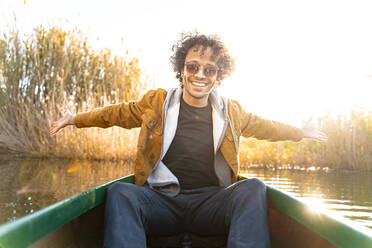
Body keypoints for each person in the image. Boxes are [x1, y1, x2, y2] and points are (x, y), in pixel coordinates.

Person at [50, 32, 327, 248]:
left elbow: (265, 127)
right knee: (121, 193)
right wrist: (75, 119)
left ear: (218, 76)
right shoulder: (156, 102)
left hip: (210, 205)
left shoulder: (232, 111)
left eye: (210, 70)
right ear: (182, 69)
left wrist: (299, 132)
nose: (200, 75)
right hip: (162, 203)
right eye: (193, 67)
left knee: (253, 187)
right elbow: (116, 114)